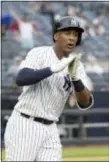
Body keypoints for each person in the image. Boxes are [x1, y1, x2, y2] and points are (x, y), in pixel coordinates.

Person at [4, 16, 94, 161]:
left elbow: (86, 103)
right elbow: (20, 78)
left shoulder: (77, 66)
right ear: (56, 35)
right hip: (25, 124)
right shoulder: (39, 53)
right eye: (67, 33)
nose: (72, 38)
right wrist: (52, 69)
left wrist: (76, 80)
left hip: (51, 128)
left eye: (75, 34)